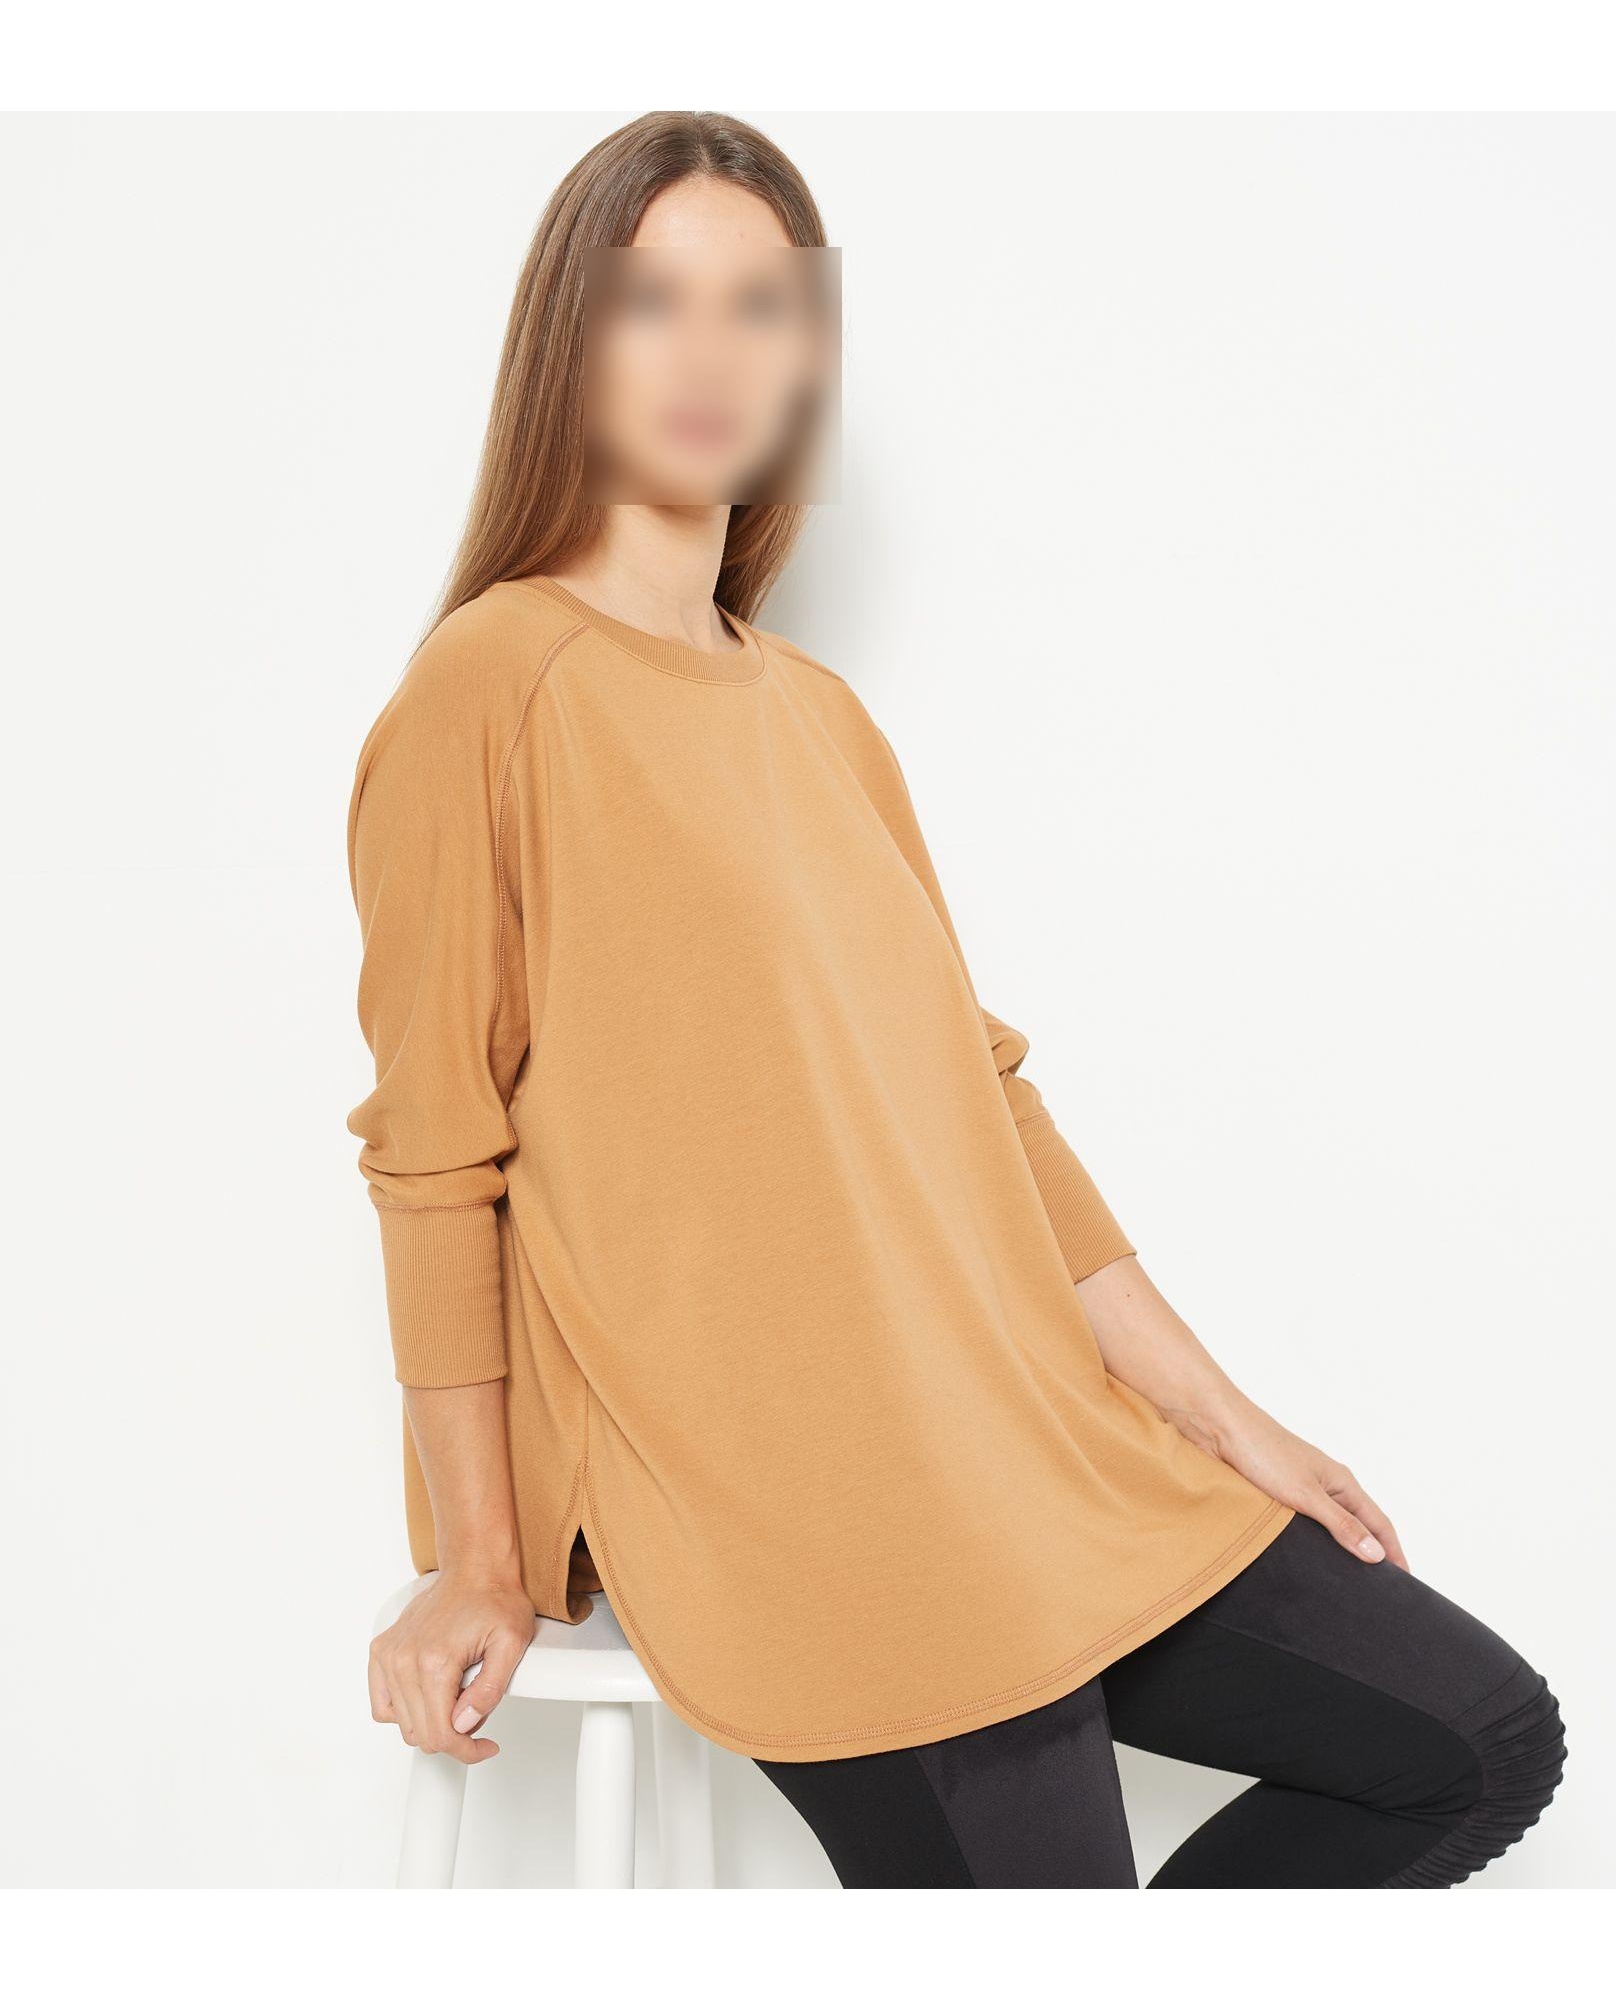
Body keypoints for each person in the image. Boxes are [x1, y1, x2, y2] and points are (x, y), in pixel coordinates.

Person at [344, 111, 1564, 1887]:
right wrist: (480, 1558)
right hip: (787, 1485)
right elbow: (433, 1156)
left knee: (1472, 1742)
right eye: (654, 303)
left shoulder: (818, 715)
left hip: (1003, 1425)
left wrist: (1228, 1424)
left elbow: (978, 1100)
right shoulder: (492, 684)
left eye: (762, 307)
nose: (710, 355)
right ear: (568, 347)